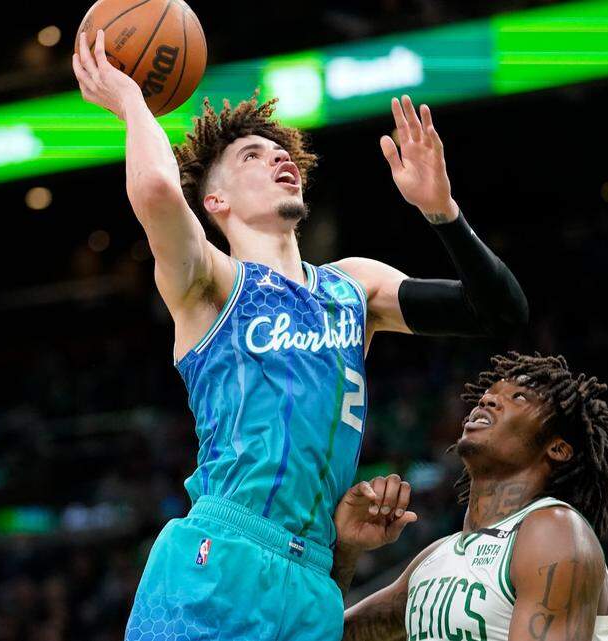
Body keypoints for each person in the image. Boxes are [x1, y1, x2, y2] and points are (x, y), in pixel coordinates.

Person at [72, 30, 528, 641]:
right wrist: (132, 101)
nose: (277, 159)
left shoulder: (354, 287)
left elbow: (499, 313)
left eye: (279, 153)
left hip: (315, 579)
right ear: (215, 200)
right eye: (251, 157)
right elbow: (156, 189)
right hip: (221, 554)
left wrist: (442, 213)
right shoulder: (210, 282)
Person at [338, 352, 608, 641]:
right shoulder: (436, 556)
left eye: (519, 397)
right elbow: (325, 633)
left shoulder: (556, 530)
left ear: (557, 448)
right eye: (489, 394)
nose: (486, 400)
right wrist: (347, 548)